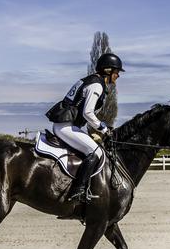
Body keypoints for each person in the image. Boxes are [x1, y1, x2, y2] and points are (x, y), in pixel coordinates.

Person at [45, 52, 124, 202]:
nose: (118, 76)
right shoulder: (97, 85)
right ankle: (78, 190)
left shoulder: (90, 80)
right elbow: (88, 113)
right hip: (66, 127)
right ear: (108, 70)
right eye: (117, 72)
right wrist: (103, 128)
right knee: (95, 152)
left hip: (68, 125)